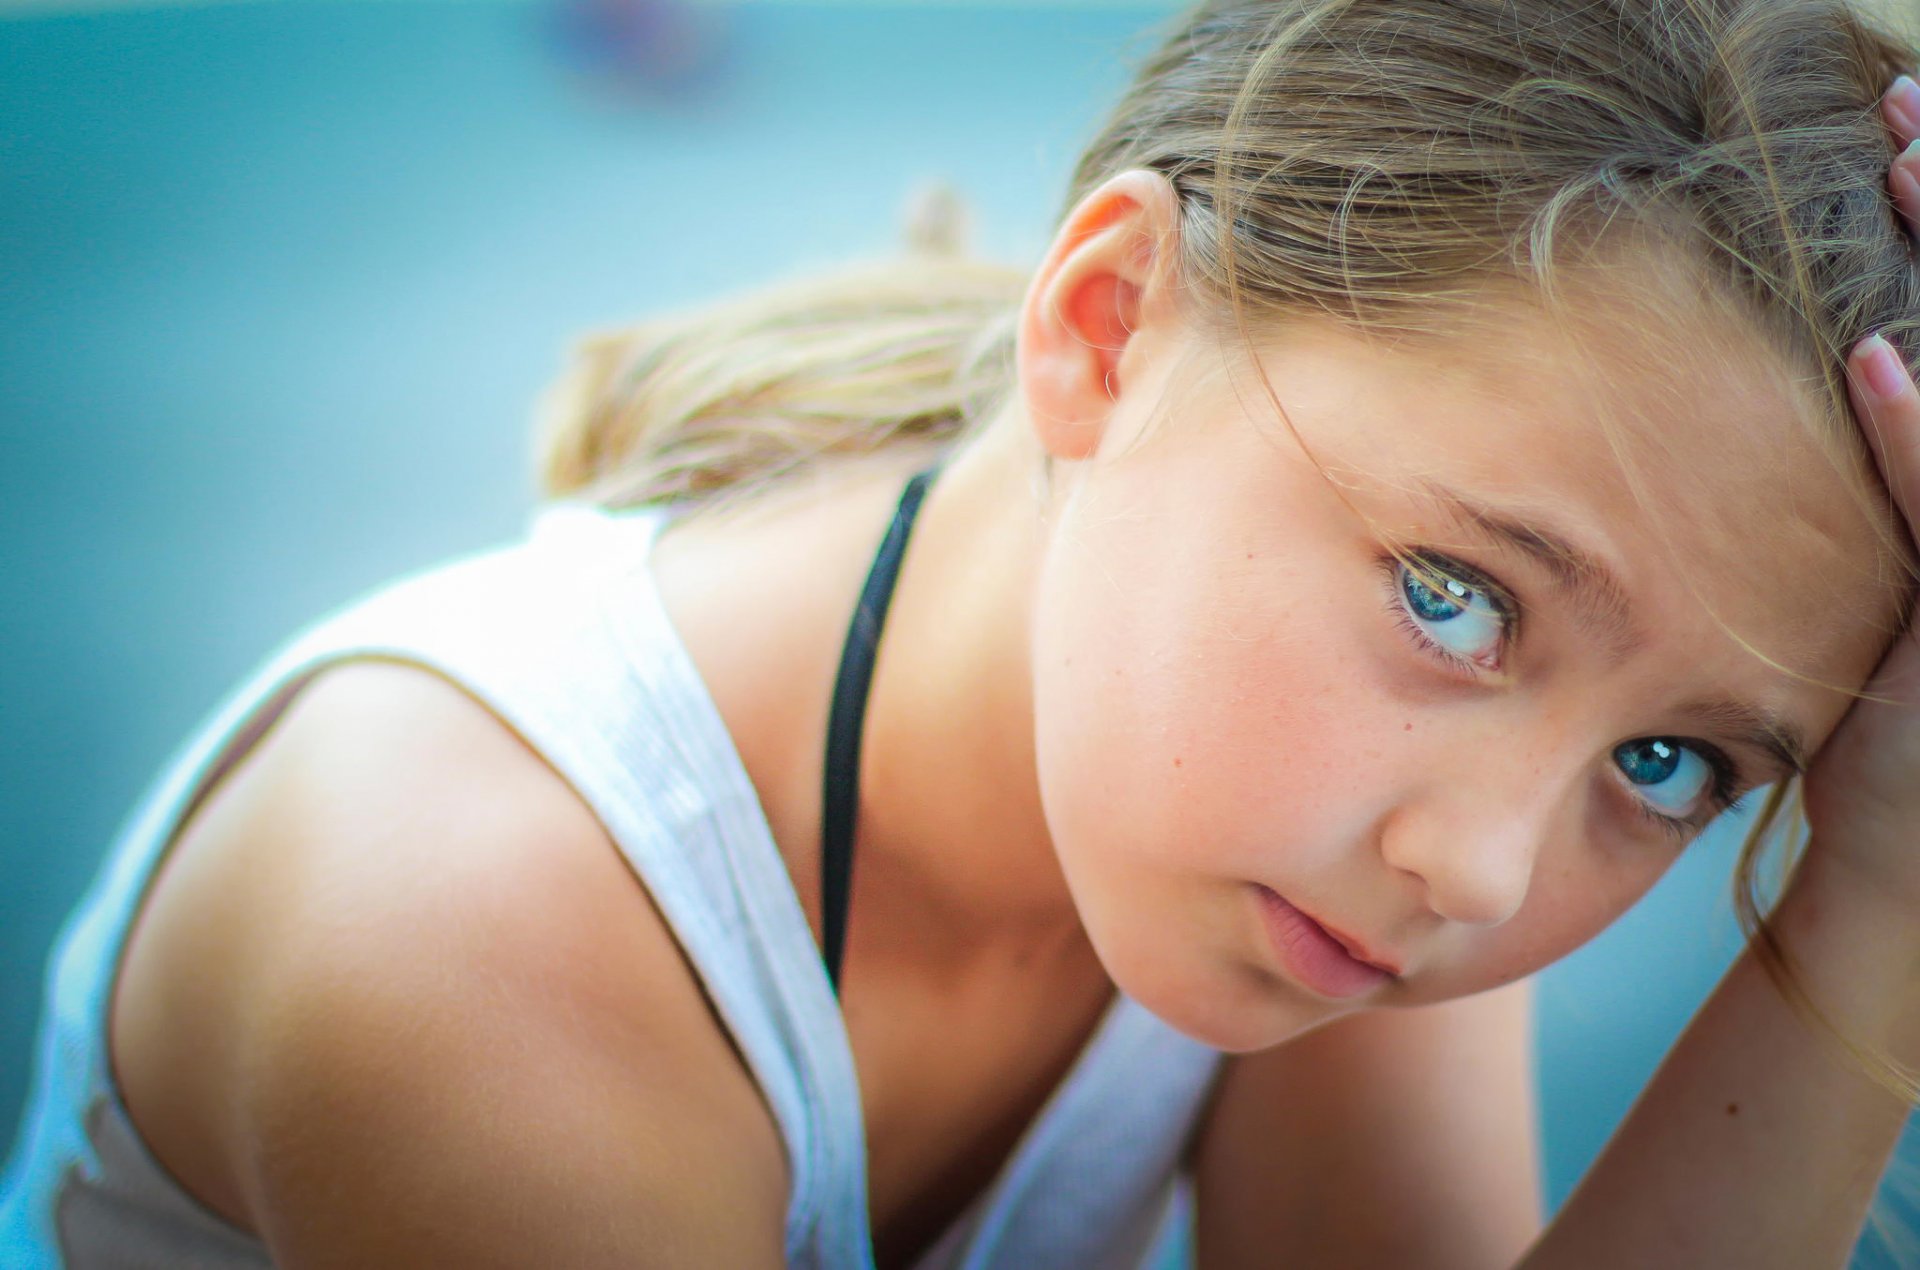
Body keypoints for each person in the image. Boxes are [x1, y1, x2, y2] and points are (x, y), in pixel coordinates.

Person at [6, 0, 1920, 1265]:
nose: (1490, 870)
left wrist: (1883, 894)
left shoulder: (1325, 828)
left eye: (1674, 762)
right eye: (1454, 596)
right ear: (1106, 327)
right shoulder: (462, 931)